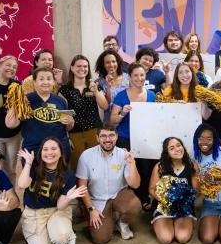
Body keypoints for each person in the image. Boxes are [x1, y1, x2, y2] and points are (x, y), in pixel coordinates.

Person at [17, 138, 86, 244]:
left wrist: (69, 197)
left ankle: (60, 235)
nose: (49, 152)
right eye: (45, 149)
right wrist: (27, 163)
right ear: (41, 152)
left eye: (54, 149)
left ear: (61, 153)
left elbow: (60, 206)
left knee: (61, 238)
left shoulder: (68, 174)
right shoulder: (33, 167)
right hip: (35, 214)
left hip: (56, 211)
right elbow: (22, 185)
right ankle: (43, 237)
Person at [76, 126, 141, 244]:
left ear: (116, 137)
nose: (108, 139)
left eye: (111, 135)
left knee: (134, 205)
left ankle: (123, 223)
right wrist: (91, 210)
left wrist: (132, 163)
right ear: (97, 138)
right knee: (100, 239)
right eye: (103, 136)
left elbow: (135, 184)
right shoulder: (86, 156)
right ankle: (110, 219)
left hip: (118, 196)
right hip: (97, 201)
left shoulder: (123, 155)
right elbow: (82, 187)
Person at [111, 62, 156, 209]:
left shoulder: (151, 95)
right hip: (126, 139)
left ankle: (144, 199)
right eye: (135, 75)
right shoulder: (121, 96)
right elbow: (112, 120)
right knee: (128, 171)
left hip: (146, 139)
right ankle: (128, 202)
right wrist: (123, 112)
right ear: (129, 77)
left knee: (145, 170)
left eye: (142, 75)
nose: (139, 78)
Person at [5, 67, 74, 159]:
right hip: (33, 150)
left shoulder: (61, 101)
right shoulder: (25, 100)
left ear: (54, 82)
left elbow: (68, 128)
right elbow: (11, 124)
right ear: (34, 82)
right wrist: (15, 101)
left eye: (49, 79)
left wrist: (70, 122)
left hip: (59, 149)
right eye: (41, 79)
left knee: (61, 174)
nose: (45, 82)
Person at [59, 55, 108, 170]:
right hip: (74, 134)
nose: (82, 69)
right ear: (72, 68)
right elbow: (62, 114)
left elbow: (104, 106)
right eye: (79, 66)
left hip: (94, 131)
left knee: (97, 165)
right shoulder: (65, 89)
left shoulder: (95, 86)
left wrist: (95, 91)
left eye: (85, 66)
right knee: (77, 166)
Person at [149, 137, 199, 244]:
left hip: (184, 207)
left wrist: (186, 198)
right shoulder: (160, 167)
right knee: (166, 239)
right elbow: (152, 189)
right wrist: (167, 200)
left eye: (178, 145)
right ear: (167, 153)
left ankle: (181, 222)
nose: (177, 149)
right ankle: (160, 222)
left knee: (182, 238)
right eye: (172, 148)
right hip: (163, 207)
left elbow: (196, 190)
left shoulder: (192, 165)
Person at [94, 49, 130, 124]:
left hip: (128, 120)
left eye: (113, 61)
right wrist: (108, 86)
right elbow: (105, 106)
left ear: (118, 62)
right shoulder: (99, 83)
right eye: (107, 62)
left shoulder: (128, 78)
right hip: (110, 123)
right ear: (103, 65)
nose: (111, 65)